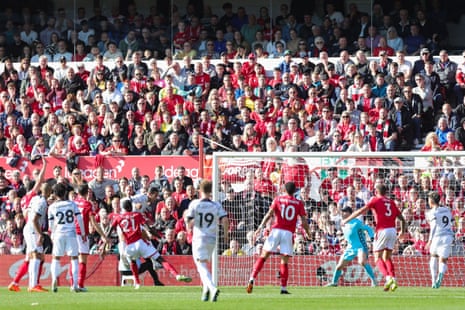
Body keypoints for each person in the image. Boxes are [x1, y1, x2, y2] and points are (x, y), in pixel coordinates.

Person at [106, 198, 191, 289]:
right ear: (131, 207)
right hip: (140, 243)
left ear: (123, 208)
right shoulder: (137, 215)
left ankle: (137, 283)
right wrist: (159, 237)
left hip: (129, 246)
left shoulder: (118, 218)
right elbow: (148, 228)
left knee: (133, 262)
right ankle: (176, 275)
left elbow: (109, 232)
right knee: (160, 259)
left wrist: (104, 245)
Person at [246, 181, 311, 295]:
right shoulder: (298, 203)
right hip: (288, 233)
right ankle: (283, 288)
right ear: (295, 191)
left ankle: (252, 278)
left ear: (284, 190)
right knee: (284, 261)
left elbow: (269, 214)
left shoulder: (278, 199)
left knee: (264, 256)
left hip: (276, 230)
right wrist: (308, 232)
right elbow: (304, 221)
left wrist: (260, 228)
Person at [343, 184, 406, 292]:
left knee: (377, 258)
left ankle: (387, 278)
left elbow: (360, 211)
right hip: (393, 230)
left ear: (376, 191)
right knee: (387, 257)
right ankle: (393, 279)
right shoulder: (391, 202)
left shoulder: (375, 200)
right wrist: (402, 232)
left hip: (382, 230)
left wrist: (347, 219)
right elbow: (403, 220)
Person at [186, 180, 229, 302]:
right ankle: (205, 292)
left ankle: (212, 288)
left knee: (201, 266)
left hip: (199, 238)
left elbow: (189, 222)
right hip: (212, 239)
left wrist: (188, 223)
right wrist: (226, 235)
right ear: (211, 191)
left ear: (199, 190)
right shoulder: (216, 205)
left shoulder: (195, 204)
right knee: (203, 263)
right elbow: (225, 220)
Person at [48, 183, 86, 293]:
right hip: (71, 234)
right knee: (74, 258)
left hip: (58, 234)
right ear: (65, 193)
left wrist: (52, 234)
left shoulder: (52, 207)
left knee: (56, 258)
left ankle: (54, 279)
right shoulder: (72, 204)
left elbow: (51, 224)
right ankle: (74, 285)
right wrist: (83, 233)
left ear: (55, 194)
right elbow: (79, 219)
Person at [326, 206, 377, 287]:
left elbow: (367, 228)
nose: (342, 213)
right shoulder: (343, 223)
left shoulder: (356, 222)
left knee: (362, 262)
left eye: (344, 212)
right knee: (339, 266)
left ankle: (374, 281)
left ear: (350, 213)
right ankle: (334, 283)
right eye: (342, 211)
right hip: (350, 248)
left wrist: (372, 237)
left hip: (360, 246)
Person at [72, 184, 109, 291]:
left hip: (72, 234)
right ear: (86, 192)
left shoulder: (74, 202)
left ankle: (72, 284)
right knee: (82, 260)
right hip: (82, 234)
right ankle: (80, 285)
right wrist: (103, 235)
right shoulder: (87, 204)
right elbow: (94, 222)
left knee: (74, 259)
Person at [426, 191, 454, 289]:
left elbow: (433, 226)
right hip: (448, 236)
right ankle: (440, 275)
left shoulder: (432, 212)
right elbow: (452, 222)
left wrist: (430, 240)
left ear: (431, 201)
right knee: (443, 259)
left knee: (433, 256)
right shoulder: (447, 210)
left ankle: (434, 281)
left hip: (437, 236)